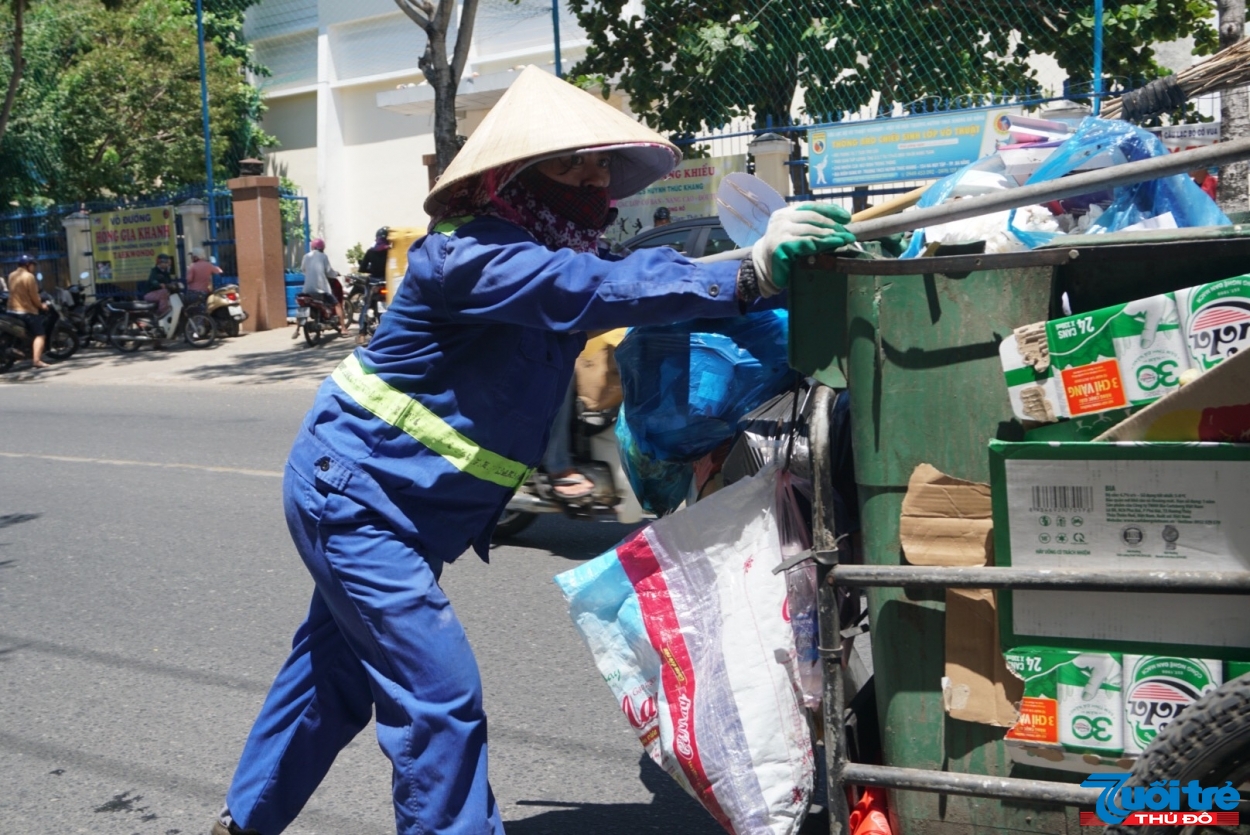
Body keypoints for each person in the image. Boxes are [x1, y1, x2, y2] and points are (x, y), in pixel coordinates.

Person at [210, 65, 852, 835]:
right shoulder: (470, 258)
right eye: (567, 161)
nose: (592, 176)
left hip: (411, 509)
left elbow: (615, 289)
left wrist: (757, 276)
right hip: (356, 495)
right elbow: (591, 290)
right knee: (436, 695)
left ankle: (242, 823)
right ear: (511, 177)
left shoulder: (546, 258)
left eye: (599, 163)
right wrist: (744, 276)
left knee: (332, 674)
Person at [6, 254, 50, 369]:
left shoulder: (11, 275)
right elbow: (34, 296)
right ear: (28, 265)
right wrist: (41, 306)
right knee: (40, 335)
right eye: (33, 265)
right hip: (25, 311)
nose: (34, 267)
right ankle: (37, 360)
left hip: (11, 310)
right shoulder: (29, 276)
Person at [297, 238, 342, 337]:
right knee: (337, 304)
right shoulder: (323, 256)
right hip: (321, 288)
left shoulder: (306, 256)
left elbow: (303, 270)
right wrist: (336, 274)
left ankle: (298, 329)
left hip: (307, 289)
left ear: (312, 247)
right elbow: (329, 272)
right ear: (322, 248)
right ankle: (344, 329)